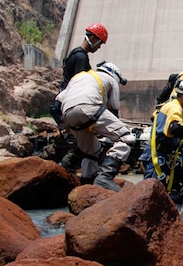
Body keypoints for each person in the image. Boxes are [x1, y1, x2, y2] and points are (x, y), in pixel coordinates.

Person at [55, 61, 135, 191]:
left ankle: (87, 183)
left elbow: (57, 102)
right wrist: (109, 131)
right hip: (89, 107)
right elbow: (113, 110)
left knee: (91, 150)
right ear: (115, 75)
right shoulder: (111, 80)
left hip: (67, 113)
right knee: (126, 137)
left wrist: (63, 125)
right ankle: (105, 177)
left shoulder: (79, 77)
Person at [54, 22, 109, 171]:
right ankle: (65, 169)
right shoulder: (81, 58)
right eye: (99, 43)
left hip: (64, 103)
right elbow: (80, 84)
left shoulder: (75, 54)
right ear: (92, 38)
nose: (99, 47)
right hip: (72, 103)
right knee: (81, 142)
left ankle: (72, 171)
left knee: (80, 142)